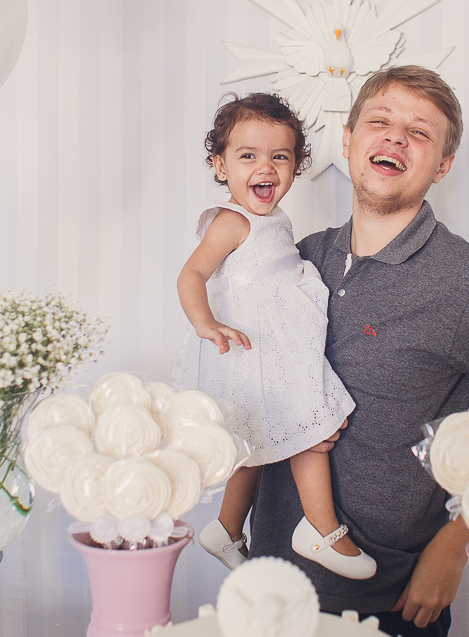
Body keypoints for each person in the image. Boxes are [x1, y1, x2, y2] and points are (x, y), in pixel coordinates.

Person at [249, 66, 469, 637]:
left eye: (419, 133)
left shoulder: (468, 282)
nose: (393, 138)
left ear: (442, 166)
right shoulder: (296, 258)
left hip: (386, 598)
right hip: (265, 584)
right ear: (348, 140)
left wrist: (456, 543)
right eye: (379, 122)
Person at [171, 92, 376, 580]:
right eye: (248, 156)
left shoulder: (273, 220)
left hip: (276, 347)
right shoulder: (232, 220)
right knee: (309, 428)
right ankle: (321, 528)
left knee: (255, 448)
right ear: (220, 166)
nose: (265, 167)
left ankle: (225, 527)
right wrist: (206, 322)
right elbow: (191, 275)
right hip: (251, 350)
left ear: (295, 166)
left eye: (279, 156)